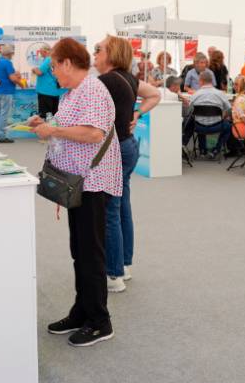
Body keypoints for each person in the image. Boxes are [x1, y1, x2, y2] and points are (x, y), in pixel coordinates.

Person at [28, 38, 121, 347]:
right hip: (77, 180)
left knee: (90, 251)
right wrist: (46, 124)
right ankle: (82, 311)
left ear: (67, 63)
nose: (52, 72)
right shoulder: (73, 92)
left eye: (54, 66)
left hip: (91, 182)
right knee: (79, 250)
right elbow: (70, 126)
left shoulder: (92, 89)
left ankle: (100, 321)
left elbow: (93, 133)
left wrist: (53, 130)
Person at [93, 36, 160, 293]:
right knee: (121, 206)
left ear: (111, 54)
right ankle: (123, 264)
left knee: (110, 210)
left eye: (98, 50)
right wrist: (138, 113)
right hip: (128, 147)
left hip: (113, 151)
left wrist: (137, 112)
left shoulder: (105, 81)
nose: (94, 54)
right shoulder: (129, 78)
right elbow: (154, 94)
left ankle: (113, 274)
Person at [188, 71, 232, 158]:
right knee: (228, 126)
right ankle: (216, 149)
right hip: (217, 126)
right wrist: (224, 116)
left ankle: (202, 150)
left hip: (199, 127)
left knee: (197, 120)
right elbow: (229, 109)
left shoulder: (195, 94)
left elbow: (189, 110)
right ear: (212, 81)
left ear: (201, 81)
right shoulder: (220, 94)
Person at [0, 43, 23, 143]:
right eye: (12, 53)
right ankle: (2, 136)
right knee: (4, 115)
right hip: (7, 91)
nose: (12, 55)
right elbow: (12, 78)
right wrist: (21, 83)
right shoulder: (8, 63)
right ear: (9, 53)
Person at [33, 54, 67, 119]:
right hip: (56, 91)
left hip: (45, 91)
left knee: (45, 116)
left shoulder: (49, 59)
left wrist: (34, 69)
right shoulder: (62, 60)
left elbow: (39, 72)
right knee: (54, 115)